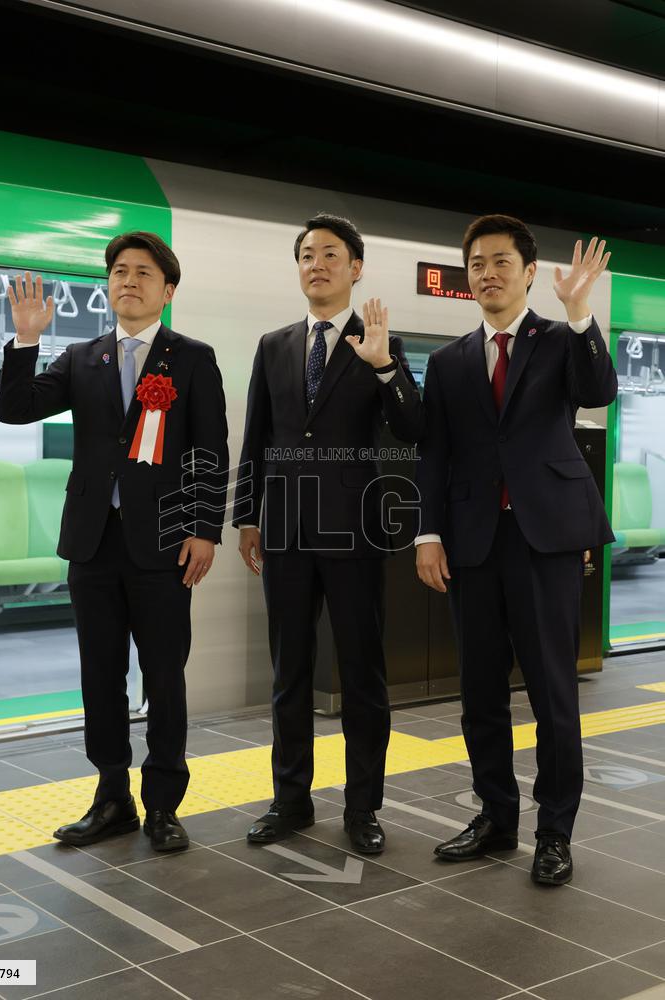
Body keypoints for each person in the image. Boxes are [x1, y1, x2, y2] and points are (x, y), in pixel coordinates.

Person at [0, 231, 229, 852]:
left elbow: (211, 452)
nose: (129, 280)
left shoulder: (192, 358)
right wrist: (25, 340)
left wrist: (205, 530)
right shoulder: (81, 357)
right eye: (119, 271)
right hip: (92, 547)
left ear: (167, 290)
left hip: (165, 546)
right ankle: (111, 797)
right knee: (99, 676)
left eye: (144, 273)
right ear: (108, 284)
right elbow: (15, 409)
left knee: (164, 676)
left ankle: (163, 805)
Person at [415, 215, 616, 885]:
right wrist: (427, 533)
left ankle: (553, 832)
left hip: (546, 540)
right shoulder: (447, 363)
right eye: (476, 264)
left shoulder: (561, 341)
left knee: (553, 693)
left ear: (528, 272)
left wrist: (580, 311)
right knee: (478, 693)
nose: (486, 273)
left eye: (499, 261)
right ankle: (496, 819)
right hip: (472, 542)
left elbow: (597, 394)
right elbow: (434, 455)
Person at [234, 213, 424, 854]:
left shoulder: (379, 340)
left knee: (363, 673)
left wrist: (383, 369)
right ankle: (290, 800)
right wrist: (248, 515)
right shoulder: (275, 344)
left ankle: (363, 808)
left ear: (356, 268)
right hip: (285, 527)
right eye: (307, 254)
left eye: (331, 254)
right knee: (289, 671)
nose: (317, 264)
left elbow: (412, 427)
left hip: (354, 530)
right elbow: (257, 433)